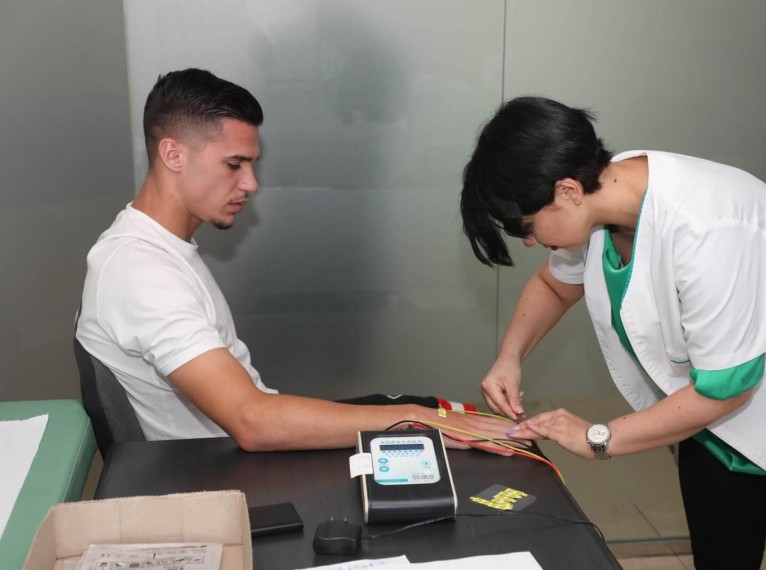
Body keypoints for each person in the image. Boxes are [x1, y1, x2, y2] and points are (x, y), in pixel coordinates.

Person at [460, 96, 766, 568]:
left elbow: (726, 389)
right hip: (712, 430)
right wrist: (510, 356)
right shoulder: (603, 199)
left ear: (567, 190)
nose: (529, 241)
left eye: (526, 227)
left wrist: (596, 438)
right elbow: (554, 284)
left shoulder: (709, 224)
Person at [76, 68, 516, 454]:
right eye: (234, 164)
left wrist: (418, 416)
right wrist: (417, 421)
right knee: (428, 422)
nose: (251, 184)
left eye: (252, 165)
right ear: (173, 155)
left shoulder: (154, 248)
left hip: (242, 446)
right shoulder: (142, 273)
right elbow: (253, 421)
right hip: (225, 470)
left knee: (438, 414)